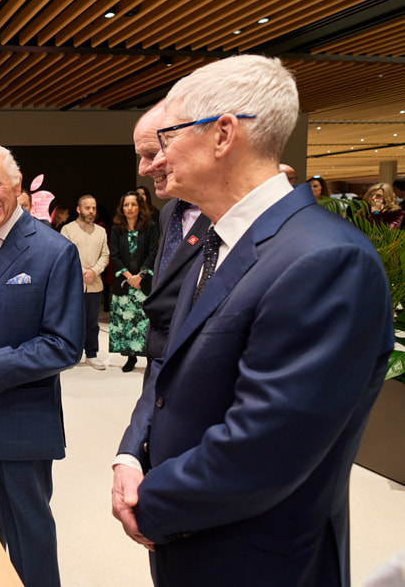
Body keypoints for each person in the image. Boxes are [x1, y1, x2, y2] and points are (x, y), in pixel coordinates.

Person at [112, 55, 392, 587]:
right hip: (194, 542)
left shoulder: (325, 260)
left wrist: (150, 502)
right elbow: (170, 366)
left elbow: (265, 451)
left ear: (223, 134)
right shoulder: (216, 241)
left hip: (257, 560)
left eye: (168, 138)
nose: (151, 164)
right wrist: (132, 456)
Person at [0, 143, 84, 587]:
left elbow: (64, 345)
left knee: (29, 541)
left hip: (20, 425)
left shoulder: (54, 251)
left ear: (17, 185)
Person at [135, 102, 212, 379]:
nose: (143, 168)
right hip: (159, 359)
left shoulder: (227, 213)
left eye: (151, 153)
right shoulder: (170, 211)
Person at [109, 192, 159, 372]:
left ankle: (151, 357)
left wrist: (140, 276)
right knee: (126, 322)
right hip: (124, 283)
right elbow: (114, 255)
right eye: (126, 205)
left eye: (133, 204)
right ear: (121, 208)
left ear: (140, 207)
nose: (129, 208)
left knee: (145, 322)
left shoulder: (150, 226)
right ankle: (130, 357)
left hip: (143, 283)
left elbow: (153, 253)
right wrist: (129, 276)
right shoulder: (117, 228)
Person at [60, 195, 111, 370]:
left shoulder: (101, 231)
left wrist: (94, 271)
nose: (91, 211)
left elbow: (105, 255)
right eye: (87, 208)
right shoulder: (67, 230)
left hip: (94, 283)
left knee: (92, 322)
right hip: (73, 284)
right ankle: (71, 355)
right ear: (78, 209)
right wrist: (82, 271)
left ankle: (91, 354)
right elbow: (65, 255)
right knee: (72, 321)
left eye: (94, 208)